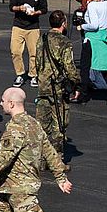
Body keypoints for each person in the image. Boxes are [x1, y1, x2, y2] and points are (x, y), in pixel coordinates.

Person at [34, 10, 79, 158]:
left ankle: (42, 158)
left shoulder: (42, 38)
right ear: (63, 24)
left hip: (43, 85)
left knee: (42, 124)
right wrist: (76, 83)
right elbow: (69, 66)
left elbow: (38, 61)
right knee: (59, 124)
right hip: (57, 88)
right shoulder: (64, 42)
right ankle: (57, 158)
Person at [9, 0, 46, 85]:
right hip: (18, 26)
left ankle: (33, 75)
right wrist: (20, 8)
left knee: (34, 53)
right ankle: (20, 74)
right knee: (15, 51)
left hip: (33, 27)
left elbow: (44, 9)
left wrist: (35, 13)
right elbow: (11, 7)